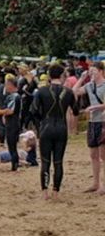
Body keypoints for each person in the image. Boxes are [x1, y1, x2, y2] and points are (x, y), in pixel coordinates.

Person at [34, 63, 79, 200]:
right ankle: (56, 192)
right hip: (61, 128)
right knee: (58, 162)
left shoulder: (41, 91)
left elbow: (34, 111)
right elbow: (76, 111)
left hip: (46, 127)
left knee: (46, 161)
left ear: (49, 75)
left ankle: (44, 192)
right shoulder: (69, 92)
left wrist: (39, 127)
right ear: (61, 75)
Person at [72, 61, 105, 194]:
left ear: (101, 71)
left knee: (103, 154)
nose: (92, 74)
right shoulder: (89, 85)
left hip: (103, 121)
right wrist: (81, 78)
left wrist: (94, 107)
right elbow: (74, 91)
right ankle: (96, 183)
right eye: (90, 71)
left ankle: (103, 185)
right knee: (93, 154)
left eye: (94, 71)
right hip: (92, 122)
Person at [0, 75, 22, 172]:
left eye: (6, 84)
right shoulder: (11, 96)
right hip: (10, 122)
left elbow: (10, 111)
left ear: (10, 85)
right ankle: (14, 164)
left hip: (13, 123)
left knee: (12, 145)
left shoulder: (15, 96)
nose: (5, 87)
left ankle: (15, 165)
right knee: (10, 145)